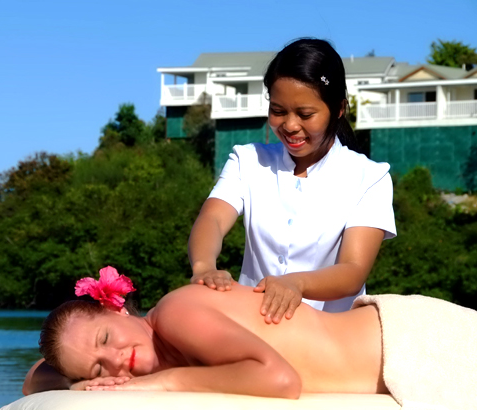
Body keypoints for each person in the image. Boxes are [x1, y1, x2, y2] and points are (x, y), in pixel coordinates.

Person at [188, 38, 396, 323]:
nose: (290, 125)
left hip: (330, 338)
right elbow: (212, 218)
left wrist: (296, 284)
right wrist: (204, 267)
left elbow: (353, 270)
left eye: (305, 114)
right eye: (278, 111)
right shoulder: (247, 160)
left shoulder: (370, 178)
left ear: (338, 109)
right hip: (251, 328)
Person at [27, 280, 477, 409]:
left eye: (106, 338)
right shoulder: (159, 348)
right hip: (401, 351)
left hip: (418, 344)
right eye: (99, 369)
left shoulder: (176, 313)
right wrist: (76, 381)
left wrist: (162, 383)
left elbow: (280, 380)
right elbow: (34, 380)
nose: (114, 359)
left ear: (119, 310)